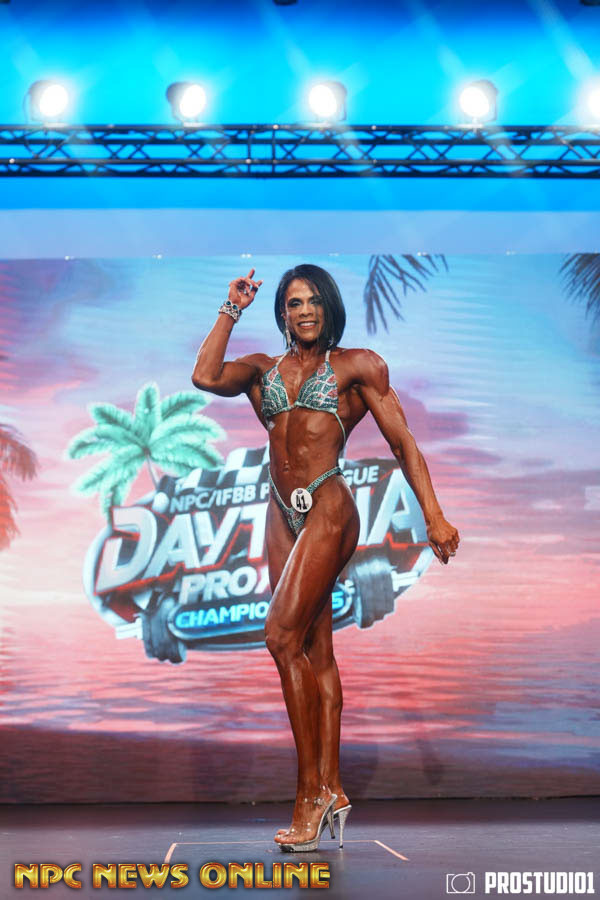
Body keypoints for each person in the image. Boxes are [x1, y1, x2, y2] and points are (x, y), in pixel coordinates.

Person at [191, 264, 459, 852]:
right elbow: (205, 375)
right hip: (280, 511)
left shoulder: (357, 366)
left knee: (279, 636)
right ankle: (333, 788)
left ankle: (309, 795)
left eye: (313, 300)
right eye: (293, 303)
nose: (304, 310)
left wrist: (433, 515)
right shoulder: (262, 370)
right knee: (314, 651)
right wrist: (231, 308)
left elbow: (403, 441)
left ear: (329, 307)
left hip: (329, 507)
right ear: (282, 313)